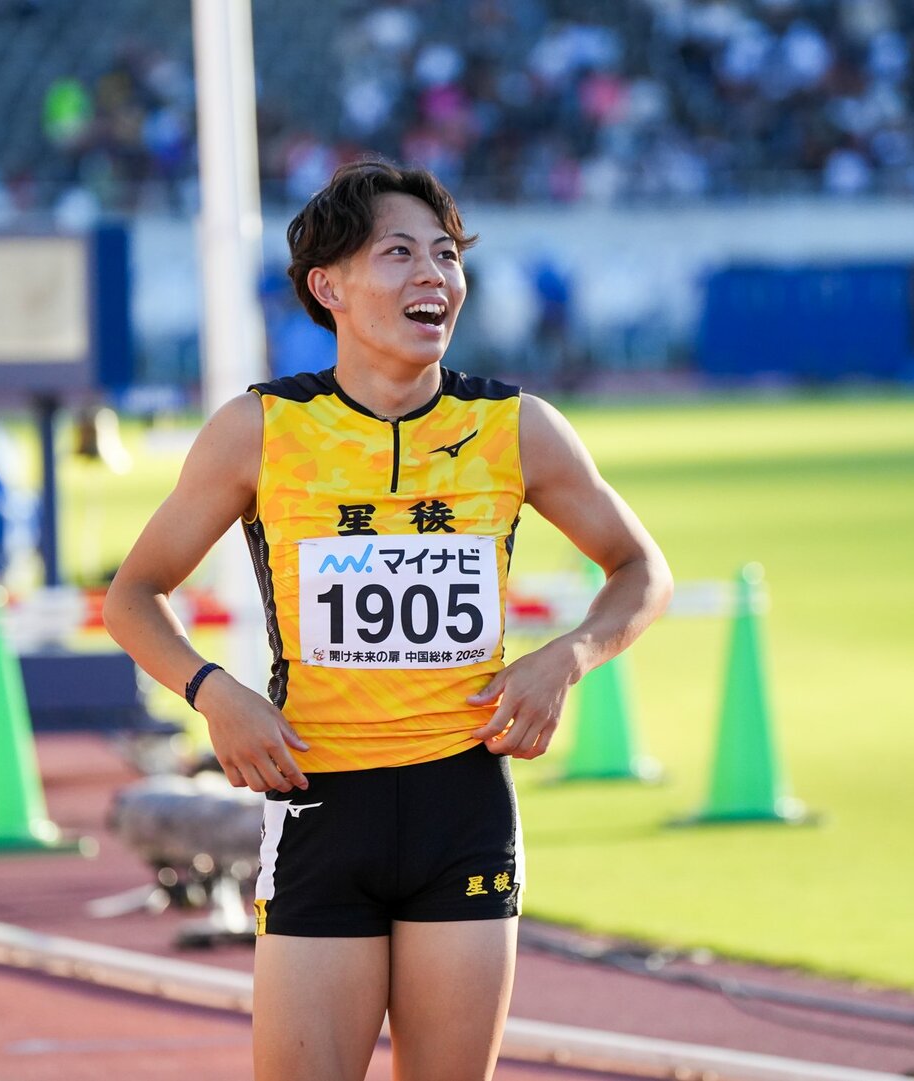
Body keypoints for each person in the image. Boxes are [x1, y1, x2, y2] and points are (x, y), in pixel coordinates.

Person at [103, 159, 672, 1081]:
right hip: (323, 798)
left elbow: (642, 568)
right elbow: (135, 594)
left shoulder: (516, 427)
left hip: (463, 804)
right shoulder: (261, 430)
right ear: (328, 285)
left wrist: (566, 657)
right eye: (399, 253)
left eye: (446, 256)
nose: (433, 277)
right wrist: (213, 694)